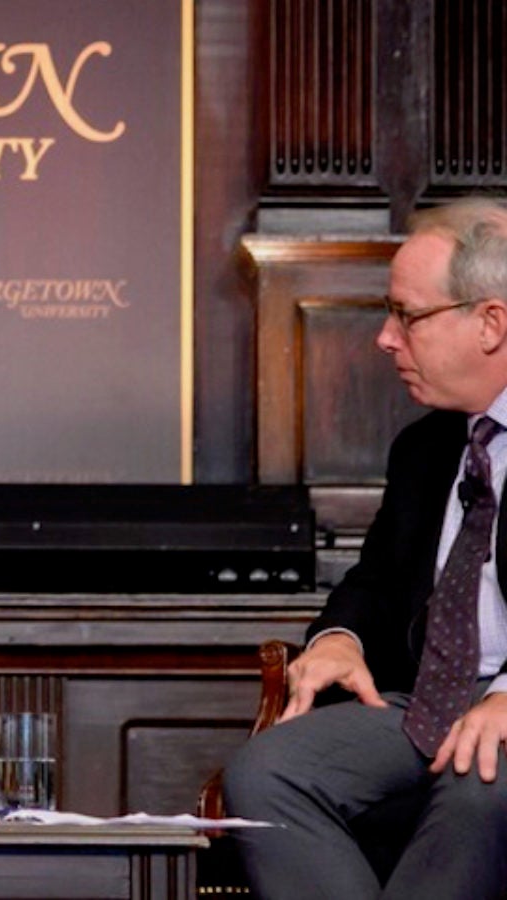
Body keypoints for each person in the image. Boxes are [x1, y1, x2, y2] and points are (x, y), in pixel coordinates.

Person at [225, 198, 507, 898]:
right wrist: (340, 638)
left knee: (483, 783)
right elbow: (375, 578)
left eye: (407, 316)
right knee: (266, 772)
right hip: (422, 704)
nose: (384, 338)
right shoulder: (426, 446)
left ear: (491, 323)